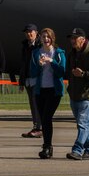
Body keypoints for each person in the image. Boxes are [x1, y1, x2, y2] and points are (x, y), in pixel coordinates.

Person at [65, 28, 89, 160]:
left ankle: (77, 149)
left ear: (82, 39)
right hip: (74, 94)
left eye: (75, 38)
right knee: (82, 124)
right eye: (71, 38)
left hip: (86, 96)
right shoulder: (72, 54)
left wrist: (83, 74)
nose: (72, 41)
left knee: (83, 124)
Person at [28, 28, 66, 159]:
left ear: (52, 38)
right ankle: (47, 146)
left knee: (46, 117)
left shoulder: (58, 53)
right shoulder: (36, 53)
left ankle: (47, 146)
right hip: (40, 90)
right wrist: (39, 65)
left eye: (48, 37)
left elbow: (62, 71)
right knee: (44, 119)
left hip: (54, 91)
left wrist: (52, 61)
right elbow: (32, 72)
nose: (46, 39)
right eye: (43, 37)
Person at [18, 23, 42, 139]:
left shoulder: (40, 45)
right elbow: (23, 64)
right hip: (28, 79)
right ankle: (36, 126)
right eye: (26, 32)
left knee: (37, 103)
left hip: (37, 79)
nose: (28, 34)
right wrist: (21, 81)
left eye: (30, 31)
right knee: (33, 104)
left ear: (36, 33)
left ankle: (39, 128)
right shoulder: (25, 46)